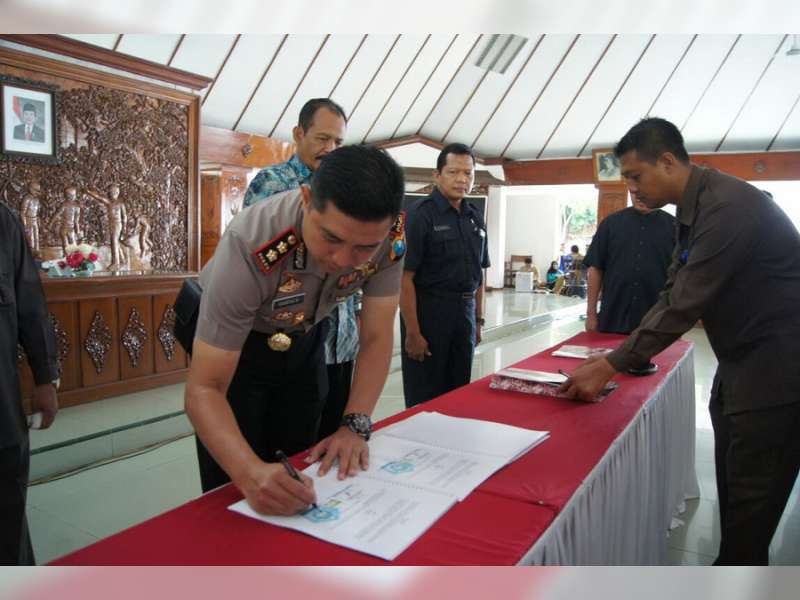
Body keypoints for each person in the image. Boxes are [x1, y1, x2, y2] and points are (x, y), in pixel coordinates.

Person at [560, 117, 800, 565]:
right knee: (735, 502)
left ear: (667, 161)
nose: (631, 186)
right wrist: (617, 354)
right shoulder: (697, 208)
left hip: (776, 379)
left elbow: (684, 304)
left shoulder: (727, 209)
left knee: (750, 513)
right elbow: (673, 289)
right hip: (741, 369)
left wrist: (612, 365)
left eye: (635, 175)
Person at [185, 145, 405, 516]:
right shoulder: (252, 240)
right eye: (332, 238)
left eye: (364, 248)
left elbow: (378, 336)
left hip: (304, 335)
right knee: (234, 485)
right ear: (306, 199)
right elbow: (204, 390)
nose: (342, 260)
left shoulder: (390, 235)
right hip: (236, 347)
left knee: (301, 460)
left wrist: (355, 425)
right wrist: (249, 474)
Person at [242, 98, 354, 441]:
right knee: (293, 446)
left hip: (341, 340)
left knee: (334, 442)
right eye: (322, 139)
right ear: (298, 134)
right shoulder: (272, 183)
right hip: (289, 344)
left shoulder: (349, 191)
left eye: (338, 142)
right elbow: (255, 260)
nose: (330, 149)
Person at [400, 143, 490, 408]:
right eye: (453, 172)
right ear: (437, 175)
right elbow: (404, 278)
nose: (462, 180)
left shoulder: (475, 217)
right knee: (424, 394)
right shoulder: (419, 216)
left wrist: (478, 321)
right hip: (429, 313)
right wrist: (413, 332)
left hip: (464, 314)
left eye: (468, 173)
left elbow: (480, 273)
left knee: (458, 392)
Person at [1, 202, 59, 565]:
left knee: (7, 526)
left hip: (1, 414)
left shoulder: (2, 222)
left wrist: (45, 377)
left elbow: (30, 305)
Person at [584, 196, 675, 333]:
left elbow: (682, 276)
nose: (640, 196)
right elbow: (596, 268)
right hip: (612, 315)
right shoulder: (611, 224)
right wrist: (591, 314)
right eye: (634, 191)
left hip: (656, 318)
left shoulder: (674, 227)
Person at [86, 184, 128, 271]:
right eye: (111, 192)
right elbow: (99, 197)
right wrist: (89, 192)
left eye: (115, 192)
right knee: (115, 241)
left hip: (118, 224)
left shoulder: (120, 203)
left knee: (114, 242)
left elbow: (125, 217)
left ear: (118, 192)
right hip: (111, 224)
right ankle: (123, 260)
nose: (113, 193)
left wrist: (124, 228)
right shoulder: (109, 202)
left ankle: (116, 263)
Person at [49, 186, 83, 256]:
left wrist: (50, 224)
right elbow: (76, 221)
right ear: (71, 196)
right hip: (69, 228)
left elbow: (56, 215)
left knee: (66, 245)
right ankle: (71, 259)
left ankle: (67, 258)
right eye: (74, 195)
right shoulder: (76, 207)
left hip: (64, 228)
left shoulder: (64, 205)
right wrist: (78, 231)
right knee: (72, 245)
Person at [20, 181, 43, 256]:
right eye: (36, 190)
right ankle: (31, 253)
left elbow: (37, 212)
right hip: (28, 220)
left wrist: (38, 220)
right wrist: (25, 225)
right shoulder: (26, 199)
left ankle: (37, 251)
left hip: (35, 220)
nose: (37, 192)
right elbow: (22, 213)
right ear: (31, 189)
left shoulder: (36, 200)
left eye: (38, 190)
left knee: (36, 237)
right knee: (30, 238)